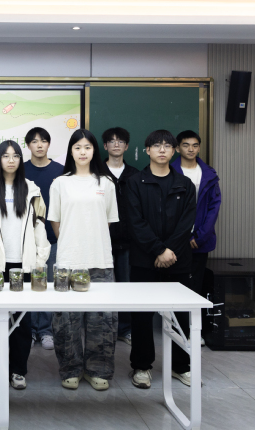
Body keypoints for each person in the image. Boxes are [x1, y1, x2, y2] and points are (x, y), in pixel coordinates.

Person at [0, 140, 50, 390]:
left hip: (24, 265)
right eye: (5, 156)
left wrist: (40, 262)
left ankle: (18, 370)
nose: (11, 160)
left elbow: (40, 229)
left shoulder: (32, 189)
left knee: (22, 323)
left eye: (15, 155)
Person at [48, 129, 119, 391]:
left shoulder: (106, 183)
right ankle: (70, 369)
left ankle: (98, 370)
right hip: (68, 261)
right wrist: (72, 244)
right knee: (67, 320)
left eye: (87, 147)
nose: (82, 152)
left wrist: (90, 240)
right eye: (77, 147)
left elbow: (108, 221)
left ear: (94, 151)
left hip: (100, 260)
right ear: (71, 151)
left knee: (102, 320)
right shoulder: (60, 183)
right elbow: (56, 222)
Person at [125, 130, 197, 389]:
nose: (162, 149)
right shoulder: (135, 182)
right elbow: (135, 222)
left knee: (181, 315)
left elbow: (187, 222)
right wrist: (158, 250)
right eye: (157, 145)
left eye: (168, 146)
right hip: (144, 259)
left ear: (174, 151)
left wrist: (168, 251)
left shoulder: (185, 184)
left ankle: (181, 366)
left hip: (178, 259)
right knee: (142, 316)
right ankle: (142, 367)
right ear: (147, 150)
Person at [172, 129, 221, 344]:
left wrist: (199, 236)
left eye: (194, 145)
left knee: (196, 287)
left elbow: (214, 208)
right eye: (185, 145)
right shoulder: (170, 171)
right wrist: (182, 237)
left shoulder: (208, 174)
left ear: (199, 147)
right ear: (177, 148)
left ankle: (195, 331)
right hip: (176, 242)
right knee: (176, 287)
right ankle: (177, 331)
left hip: (200, 241)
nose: (190, 149)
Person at [23, 126, 63, 351]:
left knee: (48, 284)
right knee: (29, 285)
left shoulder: (61, 171)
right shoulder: (20, 170)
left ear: (49, 144)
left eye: (43, 141)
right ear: (28, 145)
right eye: (34, 141)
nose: (39, 145)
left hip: (53, 238)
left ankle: (46, 331)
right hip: (27, 240)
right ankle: (29, 329)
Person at [101, 127, 140, 346]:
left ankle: (125, 329)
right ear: (105, 146)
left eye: (121, 141)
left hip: (128, 242)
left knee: (125, 286)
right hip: (101, 242)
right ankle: (102, 328)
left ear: (127, 146)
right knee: (100, 286)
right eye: (112, 141)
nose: (116, 144)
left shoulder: (136, 175)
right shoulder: (96, 174)